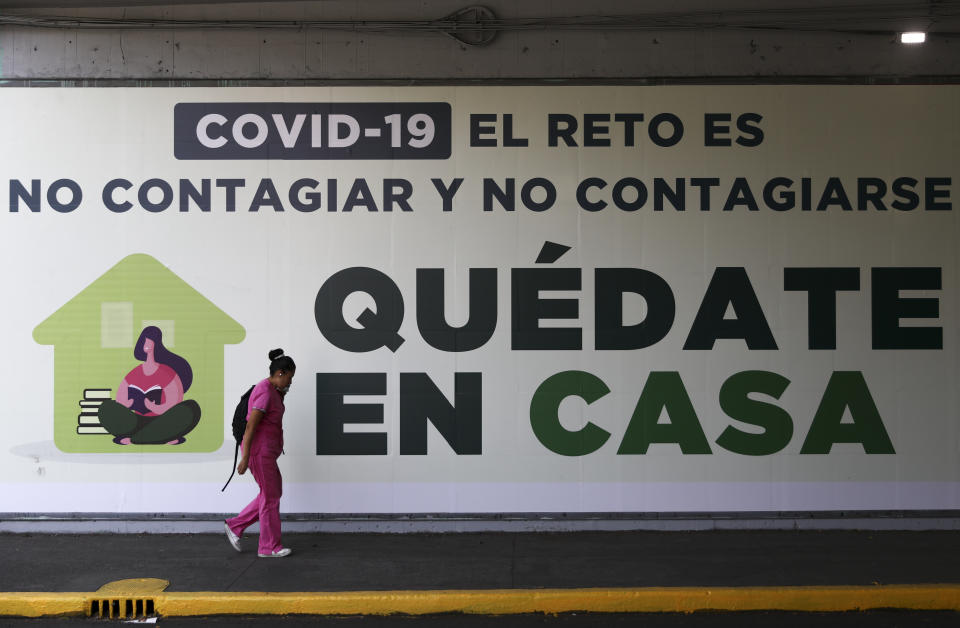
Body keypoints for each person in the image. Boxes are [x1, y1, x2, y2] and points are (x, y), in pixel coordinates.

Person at [224, 348, 296, 558]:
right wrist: (245, 457)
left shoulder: (274, 391)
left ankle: (235, 525)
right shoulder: (265, 391)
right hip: (258, 452)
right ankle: (269, 547)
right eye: (289, 378)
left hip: (266, 452)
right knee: (271, 496)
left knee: (271, 493)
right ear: (280, 373)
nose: (290, 383)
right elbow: (250, 426)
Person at [98, 326, 201, 445]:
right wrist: (128, 404)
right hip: (136, 422)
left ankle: (139, 438)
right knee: (106, 407)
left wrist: (155, 408)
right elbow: (120, 400)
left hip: (162, 421)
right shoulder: (135, 372)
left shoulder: (167, 372)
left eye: (148, 340)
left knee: (190, 408)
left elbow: (175, 401)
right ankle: (158, 437)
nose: (146, 343)